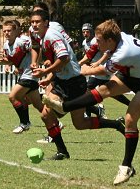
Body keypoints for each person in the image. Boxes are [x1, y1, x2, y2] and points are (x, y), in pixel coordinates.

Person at [42, 19, 140, 185]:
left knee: (130, 119)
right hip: (133, 71)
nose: (96, 43)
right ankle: (64, 106)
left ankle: (126, 166)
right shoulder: (118, 38)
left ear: (109, 40)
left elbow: (105, 70)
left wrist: (86, 70)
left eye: (99, 40)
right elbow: (107, 58)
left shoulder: (125, 52)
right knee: (103, 90)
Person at [30, 11, 125, 160]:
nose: (34, 25)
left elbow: (64, 58)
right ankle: (62, 151)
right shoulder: (40, 35)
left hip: (75, 82)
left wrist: (46, 70)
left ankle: (116, 125)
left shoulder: (51, 36)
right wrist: (49, 77)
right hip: (61, 82)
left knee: (80, 123)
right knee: (46, 115)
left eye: (37, 22)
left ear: (46, 22)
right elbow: (41, 50)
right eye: (32, 22)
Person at [29, 1, 68, 143]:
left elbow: (66, 48)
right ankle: (54, 132)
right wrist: (35, 61)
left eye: (38, 17)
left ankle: (56, 125)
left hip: (64, 70)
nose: (34, 23)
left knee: (78, 120)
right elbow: (35, 46)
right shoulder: (33, 30)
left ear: (46, 18)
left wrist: (51, 65)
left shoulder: (55, 28)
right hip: (54, 69)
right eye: (33, 17)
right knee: (47, 106)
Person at [0, 20, 44, 133]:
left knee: (13, 96)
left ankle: (25, 123)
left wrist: (36, 63)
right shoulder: (6, 45)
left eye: (9, 30)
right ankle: (56, 124)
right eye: (4, 31)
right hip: (24, 74)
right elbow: (16, 58)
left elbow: (37, 48)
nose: (6, 33)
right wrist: (7, 63)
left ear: (16, 31)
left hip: (30, 74)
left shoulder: (22, 41)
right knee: (39, 106)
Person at [79, 23, 107, 118]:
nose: (85, 33)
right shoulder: (84, 42)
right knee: (86, 92)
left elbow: (105, 54)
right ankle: (91, 112)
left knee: (86, 92)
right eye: (83, 32)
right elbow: (86, 56)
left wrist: (98, 63)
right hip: (93, 70)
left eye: (87, 31)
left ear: (91, 32)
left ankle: (96, 111)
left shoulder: (95, 41)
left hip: (102, 70)